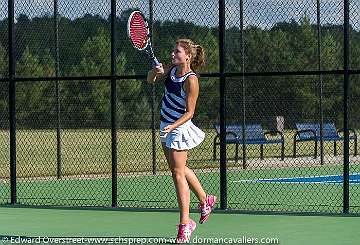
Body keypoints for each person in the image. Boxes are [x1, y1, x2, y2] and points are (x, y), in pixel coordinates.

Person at [147, 39, 216, 243]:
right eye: (172, 50)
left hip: (179, 127)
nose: (172, 54)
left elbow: (190, 112)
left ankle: (185, 225)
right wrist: (156, 72)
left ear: (188, 56)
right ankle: (205, 200)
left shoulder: (191, 80)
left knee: (177, 173)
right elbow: (150, 80)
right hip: (165, 125)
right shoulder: (170, 70)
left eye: (176, 51)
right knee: (177, 168)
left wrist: (173, 126)